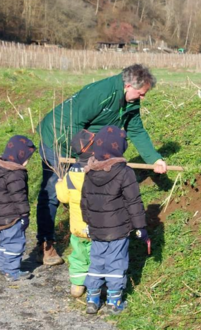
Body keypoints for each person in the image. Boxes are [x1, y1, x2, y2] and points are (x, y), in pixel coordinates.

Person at [35, 64, 167, 265]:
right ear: (129, 85)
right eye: (141, 94)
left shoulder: (130, 102)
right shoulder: (101, 93)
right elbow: (74, 124)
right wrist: (88, 156)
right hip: (58, 139)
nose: (143, 98)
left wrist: (154, 159)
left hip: (87, 146)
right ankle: (47, 244)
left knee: (86, 190)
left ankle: (86, 237)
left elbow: (136, 130)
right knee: (53, 192)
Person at [80, 125, 150, 314]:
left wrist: (88, 222)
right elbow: (133, 201)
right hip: (118, 229)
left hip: (96, 228)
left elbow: (84, 200)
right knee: (116, 262)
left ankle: (92, 298)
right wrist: (140, 227)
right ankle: (114, 300)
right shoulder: (124, 172)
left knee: (96, 261)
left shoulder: (90, 171)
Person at [0, 135, 36, 282]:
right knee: (14, 243)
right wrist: (25, 215)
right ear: (19, 156)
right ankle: (12, 271)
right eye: (27, 157)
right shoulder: (15, 174)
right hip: (11, 216)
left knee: (4, 242)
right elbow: (19, 196)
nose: (27, 161)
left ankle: (2, 266)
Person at [55, 129, 95, 298]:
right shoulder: (98, 173)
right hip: (97, 226)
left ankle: (77, 286)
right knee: (96, 255)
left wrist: (59, 183)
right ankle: (96, 283)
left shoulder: (71, 174)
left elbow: (62, 197)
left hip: (77, 227)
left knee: (79, 255)